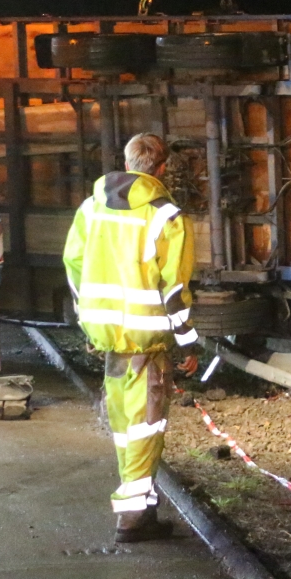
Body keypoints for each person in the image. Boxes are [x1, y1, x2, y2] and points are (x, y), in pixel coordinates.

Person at [63, 132, 197, 543]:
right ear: (160, 168)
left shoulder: (92, 206)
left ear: (126, 161)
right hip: (147, 341)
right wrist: (188, 343)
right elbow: (174, 290)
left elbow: (74, 263)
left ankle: (138, 508)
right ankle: (134, 519)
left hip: (108, 338)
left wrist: (89, 320)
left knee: (125, 425)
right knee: (145, 426)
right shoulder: (166, 216)